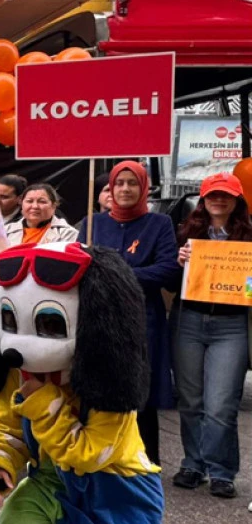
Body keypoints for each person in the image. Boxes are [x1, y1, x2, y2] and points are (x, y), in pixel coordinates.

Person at [0, 241, 166, 524]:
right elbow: (7, 420)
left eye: (47, 323)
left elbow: (89, 454)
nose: (19, 344)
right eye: (8, 320)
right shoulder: (21, 370)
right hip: (52, 479)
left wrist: (45, 406)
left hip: (117, 487)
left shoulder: (105, 382)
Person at [80, 161, 177, 465]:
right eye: (117, 183)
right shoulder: (93, 223)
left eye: (131, 183)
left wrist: (114, 274)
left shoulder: (159, 225)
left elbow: (167, 269)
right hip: (98, 318)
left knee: (141, 395)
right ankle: (101, 459)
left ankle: (145, 464)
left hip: (142, 319)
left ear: (143, 187)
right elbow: (79, 263)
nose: (124, 189)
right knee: (99, 389)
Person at [171, 172, 250, 498]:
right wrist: (179, 262)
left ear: (237, 201)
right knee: (190, 401)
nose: (219, 200)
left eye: (227, 195)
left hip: (231, 326)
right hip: (188, 321)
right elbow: (167, 280)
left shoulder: (249, 237)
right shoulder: (185, 234)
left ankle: (221, 470)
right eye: (213, 195)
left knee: (220, 404)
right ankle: (193, 463)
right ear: (202, 200)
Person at [5, 184, 78, 246]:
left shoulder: (67, 233)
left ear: (54, 206)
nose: (35, 206)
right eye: (29, 201)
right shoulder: (6, 231)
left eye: (42, 202)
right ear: (21, 204)